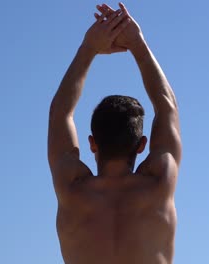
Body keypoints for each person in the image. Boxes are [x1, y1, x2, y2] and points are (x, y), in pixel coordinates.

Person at [48, 3, 182, 263]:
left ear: (92, 144)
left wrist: (88, 48)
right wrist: (138, 45)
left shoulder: (72, 190)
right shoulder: (158, 185)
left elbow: (60, 113)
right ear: (142, 144)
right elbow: (167, 108)